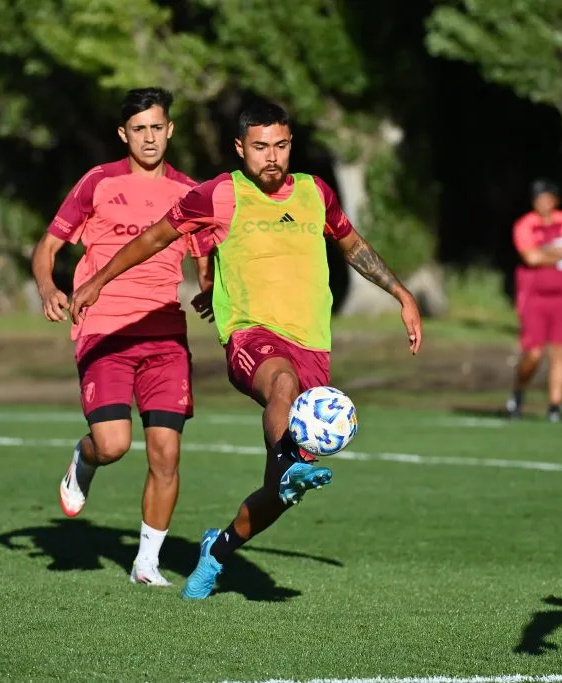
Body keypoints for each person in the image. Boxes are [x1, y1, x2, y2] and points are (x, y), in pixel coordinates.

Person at [69, 100, 423, 601]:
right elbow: (154, 238)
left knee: (280, 494)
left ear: (291, 145)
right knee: (281, 383)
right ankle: (287, 464)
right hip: (251, 336)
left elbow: (352, 245)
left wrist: (402, 294)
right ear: (240, 148)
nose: (271, 156)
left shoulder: (315, 193)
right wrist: (99, 280)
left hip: (312, 345)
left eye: (280, 145)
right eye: (260, 147)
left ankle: (219, 548)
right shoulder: (218, 194)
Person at [31, 87, 209, 588]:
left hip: (165, 337)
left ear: (170, 130)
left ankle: (146, 563)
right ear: (123, 134)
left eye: (157, 128)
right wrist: (48, 287)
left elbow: (206, 260)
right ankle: (84, 459)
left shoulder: (191, 193)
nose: (149, 138)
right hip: (104, 329)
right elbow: (47, 247)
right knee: (112, 445)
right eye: (139, 129)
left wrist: (211, 292)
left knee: (166, 454)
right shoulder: (99, 181)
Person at [506, 179, 562, 422]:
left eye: (546, 198)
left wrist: (546, 251)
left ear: (555, 200)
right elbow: (531, 257)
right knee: (533, 353)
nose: (542, 203)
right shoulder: (525, 225)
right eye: (537, 199)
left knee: (559, 351)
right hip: (534, 298)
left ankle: (555, 404)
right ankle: (519, 390)